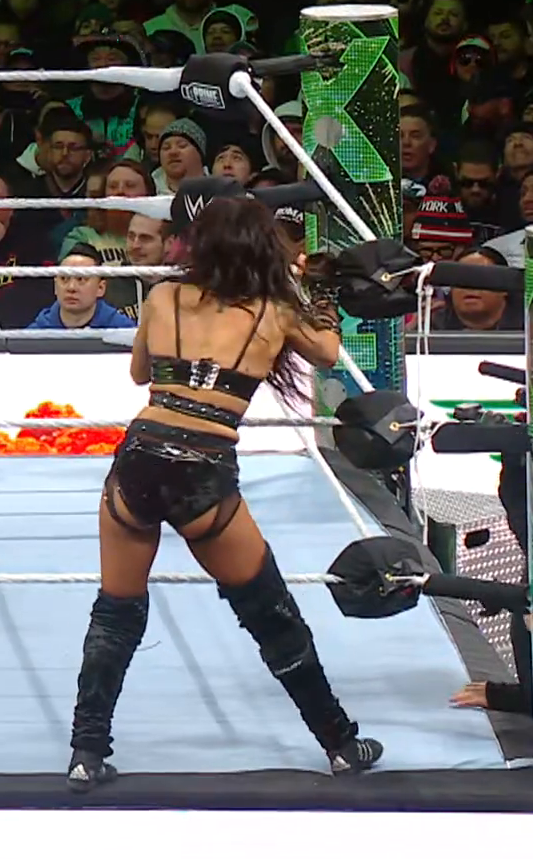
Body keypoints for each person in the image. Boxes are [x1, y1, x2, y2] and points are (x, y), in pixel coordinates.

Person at [66, 196, 382, 791]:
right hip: (201, 464)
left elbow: (140, 374)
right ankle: (340, 743)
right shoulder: (275, 310)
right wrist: (319, 292)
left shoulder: (163, 296)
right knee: (269, 611)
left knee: (116, 611)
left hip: (140, 455)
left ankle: (86, 753)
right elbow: (327, 352)